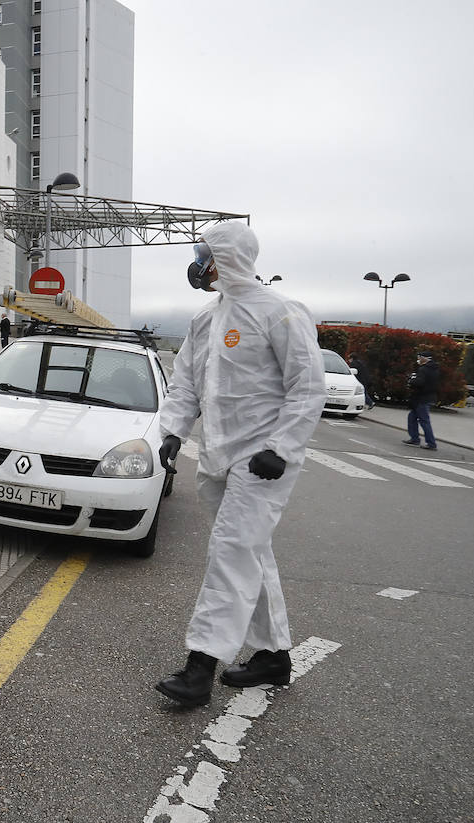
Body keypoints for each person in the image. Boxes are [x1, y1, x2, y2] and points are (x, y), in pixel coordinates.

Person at [153, 222, 326, 707]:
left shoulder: (279, 311)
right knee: (251, 553)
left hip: (263, 462)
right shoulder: (206, 319)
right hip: (218, 458)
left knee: (230, 551)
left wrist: (283, 447)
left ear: (227, 256)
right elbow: (185, 379)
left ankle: (199, 667)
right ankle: (273, 657)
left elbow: (308, 385)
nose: (197, 261)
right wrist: (172, 432)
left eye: (203, 252)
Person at [402, 350, 440, 450]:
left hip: (421, 398)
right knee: (412, 418)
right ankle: (414, 438)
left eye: (419, 357)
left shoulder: (424, 369)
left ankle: (431, 443)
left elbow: (419, 383)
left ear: (425, 358)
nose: (418, 359)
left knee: (424, 421)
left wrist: (411, 381)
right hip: (426, 397)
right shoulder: (434, 368)